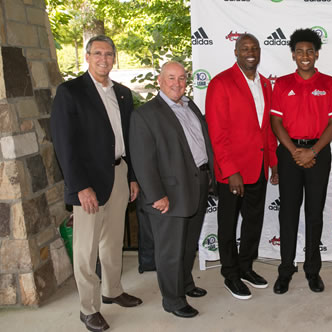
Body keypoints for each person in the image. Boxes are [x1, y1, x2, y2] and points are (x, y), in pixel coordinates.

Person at [50, 35, 142, 332]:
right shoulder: (70, 92)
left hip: (119, 173)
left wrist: (131, 177)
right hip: (87, 181)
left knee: (113, 241)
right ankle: (88, 308)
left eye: (109, 54)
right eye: (98, 53)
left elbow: (129, 140)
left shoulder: (124, 94)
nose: (104, 58)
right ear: (87, 57)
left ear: (114, 58)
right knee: (86, 249)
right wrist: (79, 186)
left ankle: (113, 290)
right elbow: (64, 144)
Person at [129, 61, 216, 319]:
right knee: (170, 250)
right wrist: (156, 195)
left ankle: (185, 284)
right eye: (171, 78)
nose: (177, 83)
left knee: (188, 244)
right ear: (159, 80)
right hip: (169, 193)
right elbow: (142, 160)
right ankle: (173, 299)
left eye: (181, 78)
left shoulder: (189, 106)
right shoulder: (145, 114)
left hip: (198, 184)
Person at [205, 33, 279, 300]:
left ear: (259, 52)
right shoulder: (220, 83)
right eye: (245, 48)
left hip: (258, 167)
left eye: (255, 48)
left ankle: (246, 267)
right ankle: (230, 274)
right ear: (236, 52)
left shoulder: (265, 84)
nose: (251, 52)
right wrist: (229, 170)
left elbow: (267, 129)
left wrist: (274, 163)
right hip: (233, 173)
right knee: (227, 224)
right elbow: (217, 132)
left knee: (253, 222)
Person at [270, 28, 332, 294]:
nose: (305, 56)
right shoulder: (282, 84)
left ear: (317, 54)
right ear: (292, 54)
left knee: (314, 214)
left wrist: (312, 152)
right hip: (289, 153)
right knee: (288, 214)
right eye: (299, 51)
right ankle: (286, 269)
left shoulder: (330, 84)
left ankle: (313, 270)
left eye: (310, 51)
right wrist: (294, 152)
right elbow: (275, 122)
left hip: (318, 154)